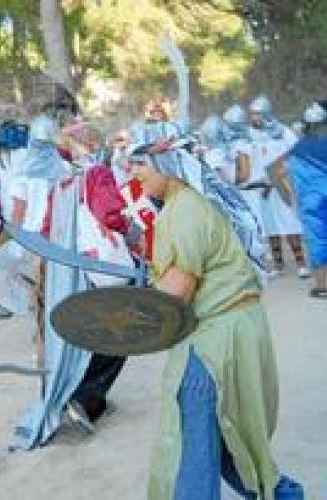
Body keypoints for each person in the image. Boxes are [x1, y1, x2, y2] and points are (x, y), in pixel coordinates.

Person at [130, 155, 303, 499]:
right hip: (235, 326)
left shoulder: (183, 210)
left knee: (190, 443)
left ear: (168, 164)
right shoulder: (196, 202)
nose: (135, 173)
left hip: (214, 339)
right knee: (228, 436)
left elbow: (176, 294)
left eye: (141, 163)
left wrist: (127, 312)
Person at [246, 95, 309, 278]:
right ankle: (278, 264)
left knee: (289, 222)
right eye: (252, 114)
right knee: (269, 226)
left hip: (282, 185)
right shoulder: (249, 134)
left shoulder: (283, 132)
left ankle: (301, 264)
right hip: (261, 187)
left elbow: (295, 154)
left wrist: (277, 176)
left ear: (266, 113)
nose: (253, 117)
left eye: (257, 114)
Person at [289, 101, 327, 297]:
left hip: (312, 203)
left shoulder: (297, 149)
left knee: (318, 241)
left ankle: (322, 285)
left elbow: (292, 180)